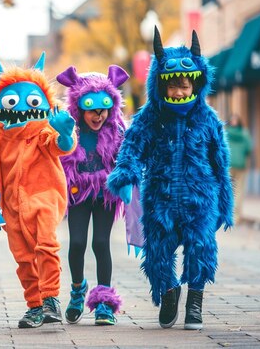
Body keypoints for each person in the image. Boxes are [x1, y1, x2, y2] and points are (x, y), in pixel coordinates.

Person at [107, 27, 234, 330]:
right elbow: (132, 147)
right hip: (160, 199)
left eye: (184, 86)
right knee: (157, 254)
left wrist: (224, 203)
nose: (178, 92)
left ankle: (195, 303)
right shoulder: (150, 117)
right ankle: (168, 292)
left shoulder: (207, 119)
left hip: (199, 199)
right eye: (172, 87)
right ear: (160, 87)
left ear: (195, 85)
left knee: (201, 249)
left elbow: (220, 164)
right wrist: (125, 174)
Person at [0, 51, 76, 328]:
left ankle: (51, 298)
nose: (20, 107)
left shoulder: (42, 132)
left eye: (30, 101)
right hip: (12, 207)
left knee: (46, 244)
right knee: (23, 257)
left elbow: (61, 147)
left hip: (44, 197)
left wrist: (65, 133)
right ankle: (34, 305)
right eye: (11, 101)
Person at [56, 65, 129, 325]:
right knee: (76, 243)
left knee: (100, 243)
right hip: (78, 193)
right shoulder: (69, 129)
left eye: (103, 109)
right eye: (91, 109)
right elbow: (56, 154)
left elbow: (126, 158)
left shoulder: (118, 130)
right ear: (79, 107)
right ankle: (78, 290)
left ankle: (104, 303)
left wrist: (126, 180)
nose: (98, 116)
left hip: (106, 194)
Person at [226, 114, 253, 224]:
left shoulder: (226, 132)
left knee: (229, 190)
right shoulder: (244, 133)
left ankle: (228, 216)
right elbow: (249, 149)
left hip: (228, 165)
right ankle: (237, 217)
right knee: (239, 191)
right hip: (240, 165)